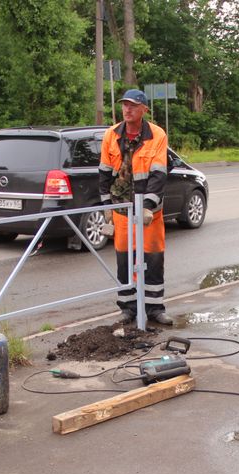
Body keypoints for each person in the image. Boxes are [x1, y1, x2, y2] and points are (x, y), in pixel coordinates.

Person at [98, 89, 172, 325]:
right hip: (122, 208)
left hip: (148, 210)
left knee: (152, 256)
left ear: (144, 110)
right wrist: (106, 206)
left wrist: (148, 205)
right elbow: (104, 172)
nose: (127, 109)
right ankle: (128, 307)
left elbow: (158, 173)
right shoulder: (111, 134)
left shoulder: (156, 135)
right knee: (124, 258)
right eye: (124, 105)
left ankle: (154, 308)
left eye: (132, 106)